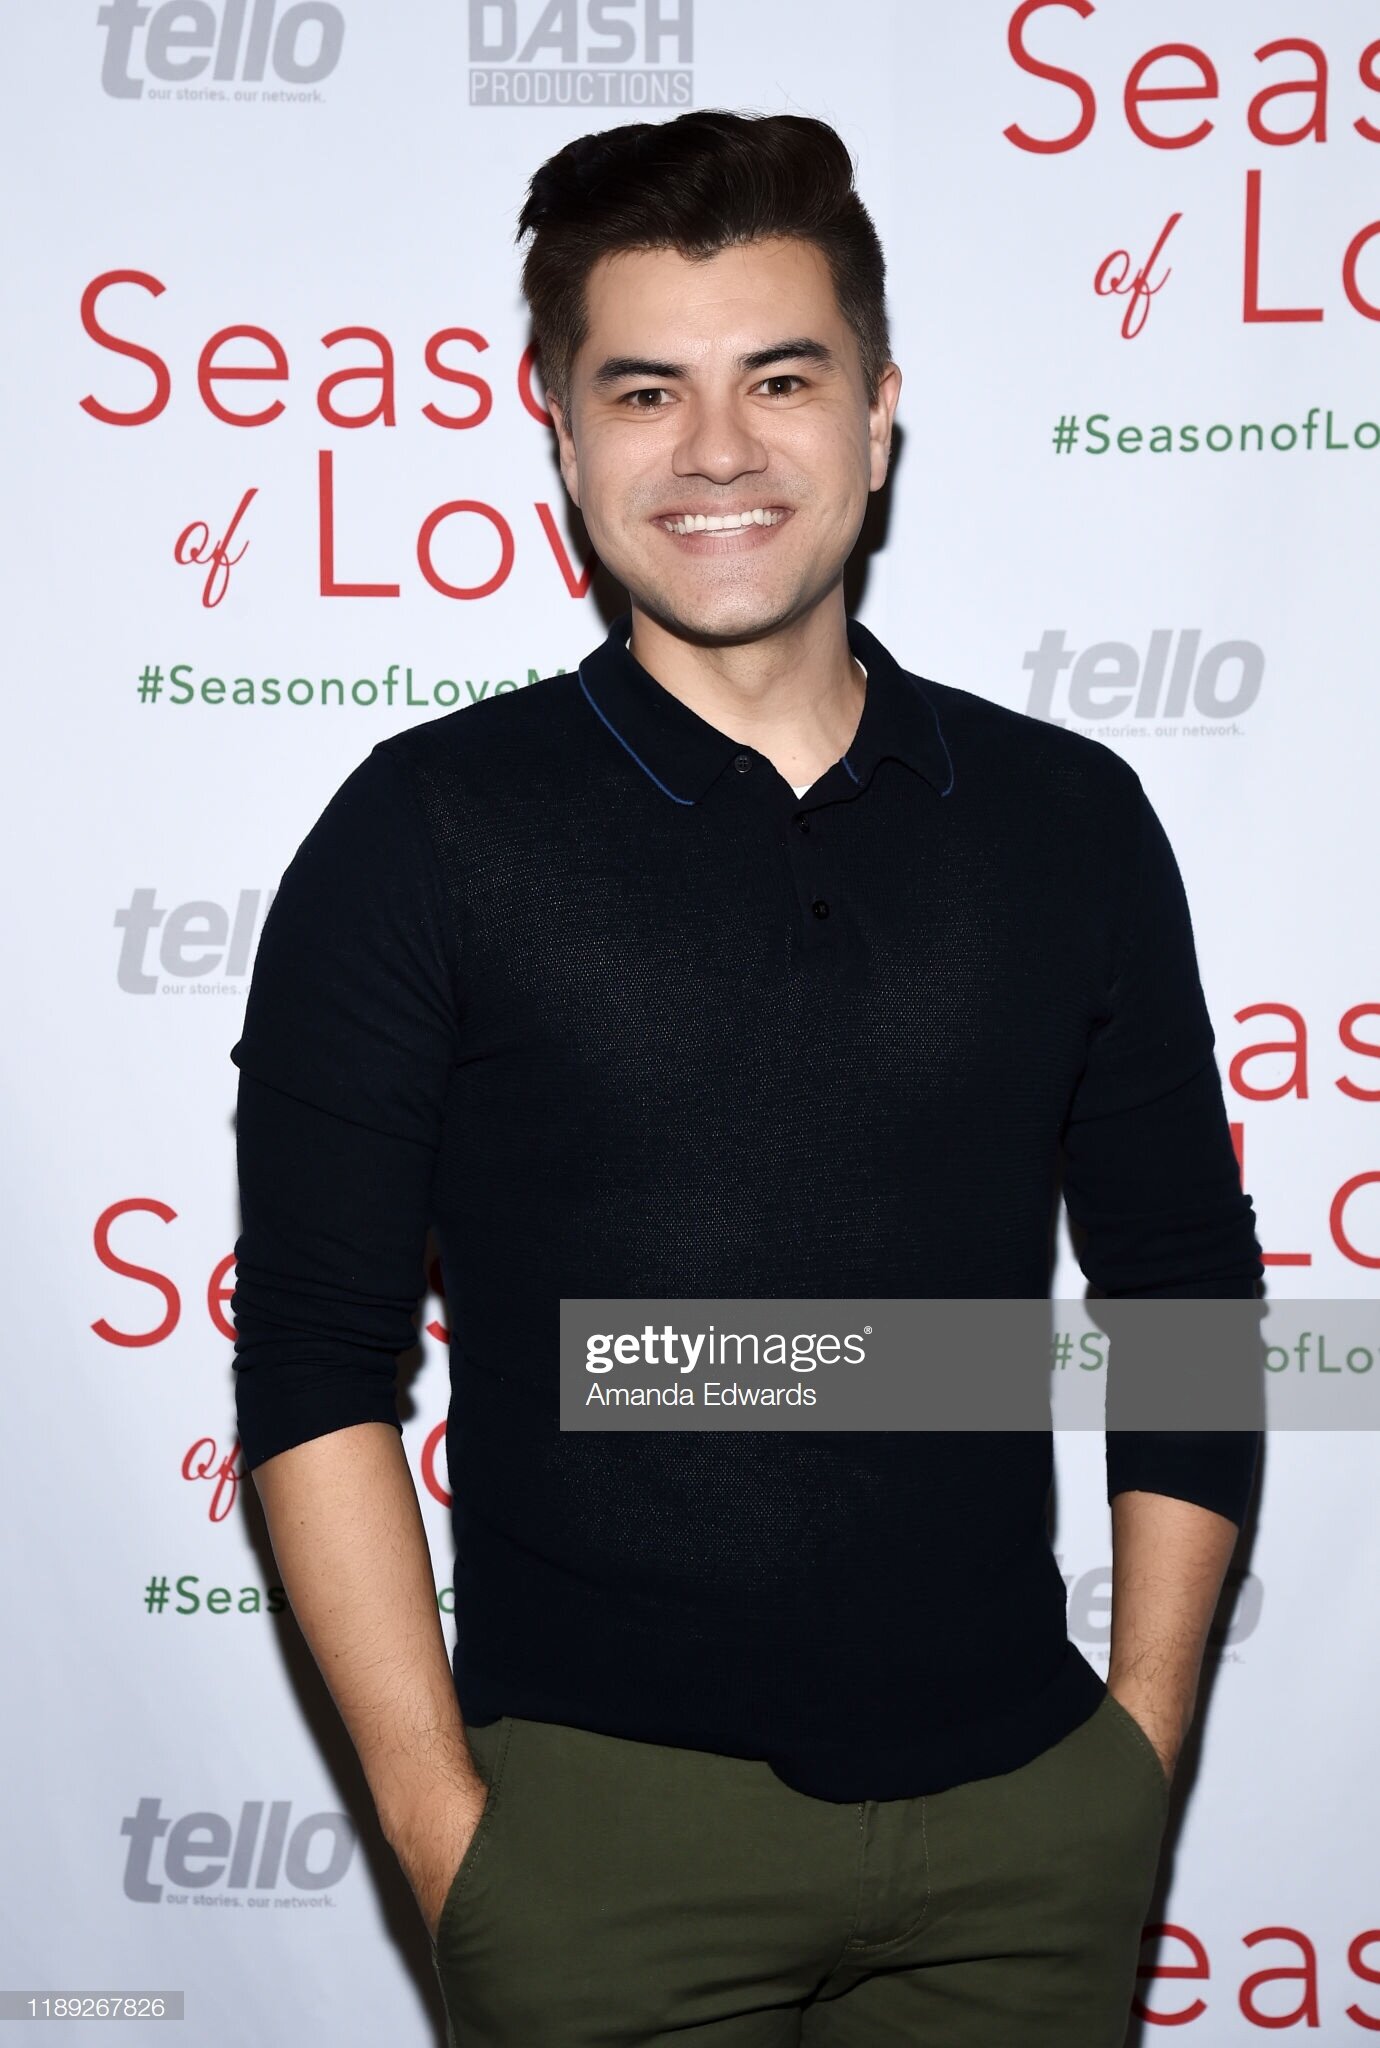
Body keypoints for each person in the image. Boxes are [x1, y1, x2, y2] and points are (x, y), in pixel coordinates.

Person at [230, 108, 1264, 2047]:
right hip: (597, 1849)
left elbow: (1191, 1298)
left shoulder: (1068, 820)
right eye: (648, 390)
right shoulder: (426, 831)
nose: (717, 450)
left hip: (1031, 1829)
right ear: (561, 437)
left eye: (780, 378)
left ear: (879, 414)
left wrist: (1140, 1744)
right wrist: (452, 1835)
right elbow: (310, 1355)